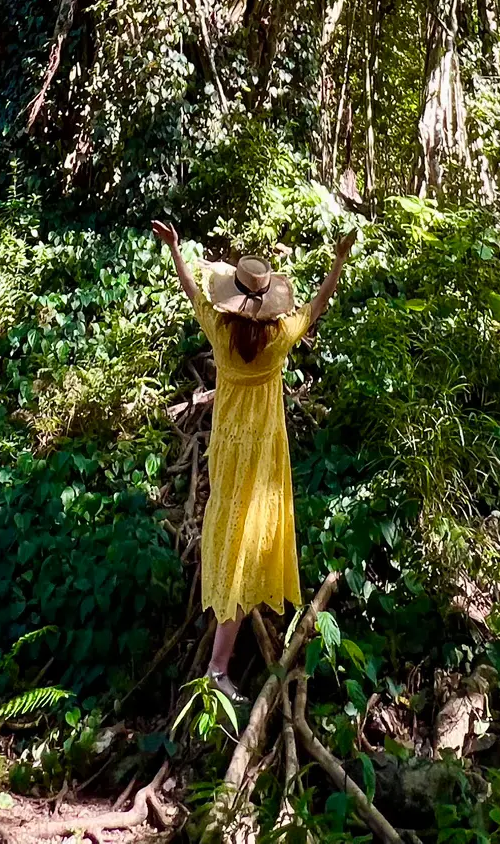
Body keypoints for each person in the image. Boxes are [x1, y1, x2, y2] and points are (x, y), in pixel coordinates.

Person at [151, 218, 357, 702]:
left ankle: (224, 637)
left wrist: (176, 250)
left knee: (230, 530)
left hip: (227, 447)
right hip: (263, 450)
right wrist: (339, 262)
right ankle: (219, 666)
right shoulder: (279, 337)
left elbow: (189, 290)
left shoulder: (219, 331)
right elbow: (317, 306)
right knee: (249, 535)